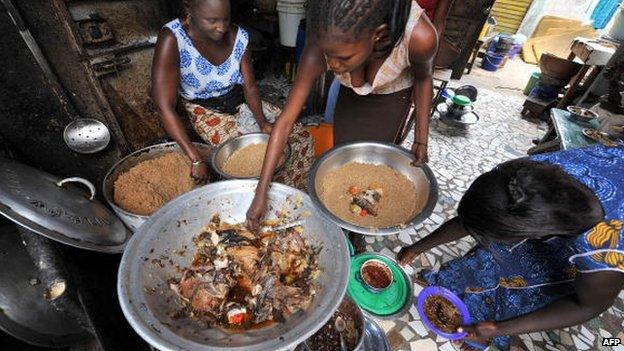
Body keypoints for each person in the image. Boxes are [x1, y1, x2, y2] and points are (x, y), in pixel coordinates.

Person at [397, 145, 624, 351]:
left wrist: (498, 328)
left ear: (532, 233)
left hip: (593, 250)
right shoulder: (520, 175)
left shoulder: (604, 254)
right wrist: (418, 247)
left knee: (529, 285)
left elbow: (586, 306)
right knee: (491, 258)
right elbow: (477, 218)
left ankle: (488, 326)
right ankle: (452, 285)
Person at [247, 0, 438, 228]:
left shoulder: (420, 38)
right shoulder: (323, 43)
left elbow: (424, 79)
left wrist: (421, 138)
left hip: (392, 99)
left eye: (344, 58)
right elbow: (286, 120)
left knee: (377, 165)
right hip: (351, 96)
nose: (333, 66)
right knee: (345, 156)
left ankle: (361, 230)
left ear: (378, 35)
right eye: (329, 55)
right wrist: (261, 192)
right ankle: (348, 222)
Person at [151, 0, 314, 188]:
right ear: (190, 10)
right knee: (243, 157)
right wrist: (196, 160)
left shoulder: (239, 37)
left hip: (239, 101)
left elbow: (250, 88)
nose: (221, 28)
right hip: (204, 108)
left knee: (300, 138)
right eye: (211, 20)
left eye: (225, 19)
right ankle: (257, 201)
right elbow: (164, 107)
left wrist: (262, 122)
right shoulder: (173, 38)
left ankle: (291, 194)